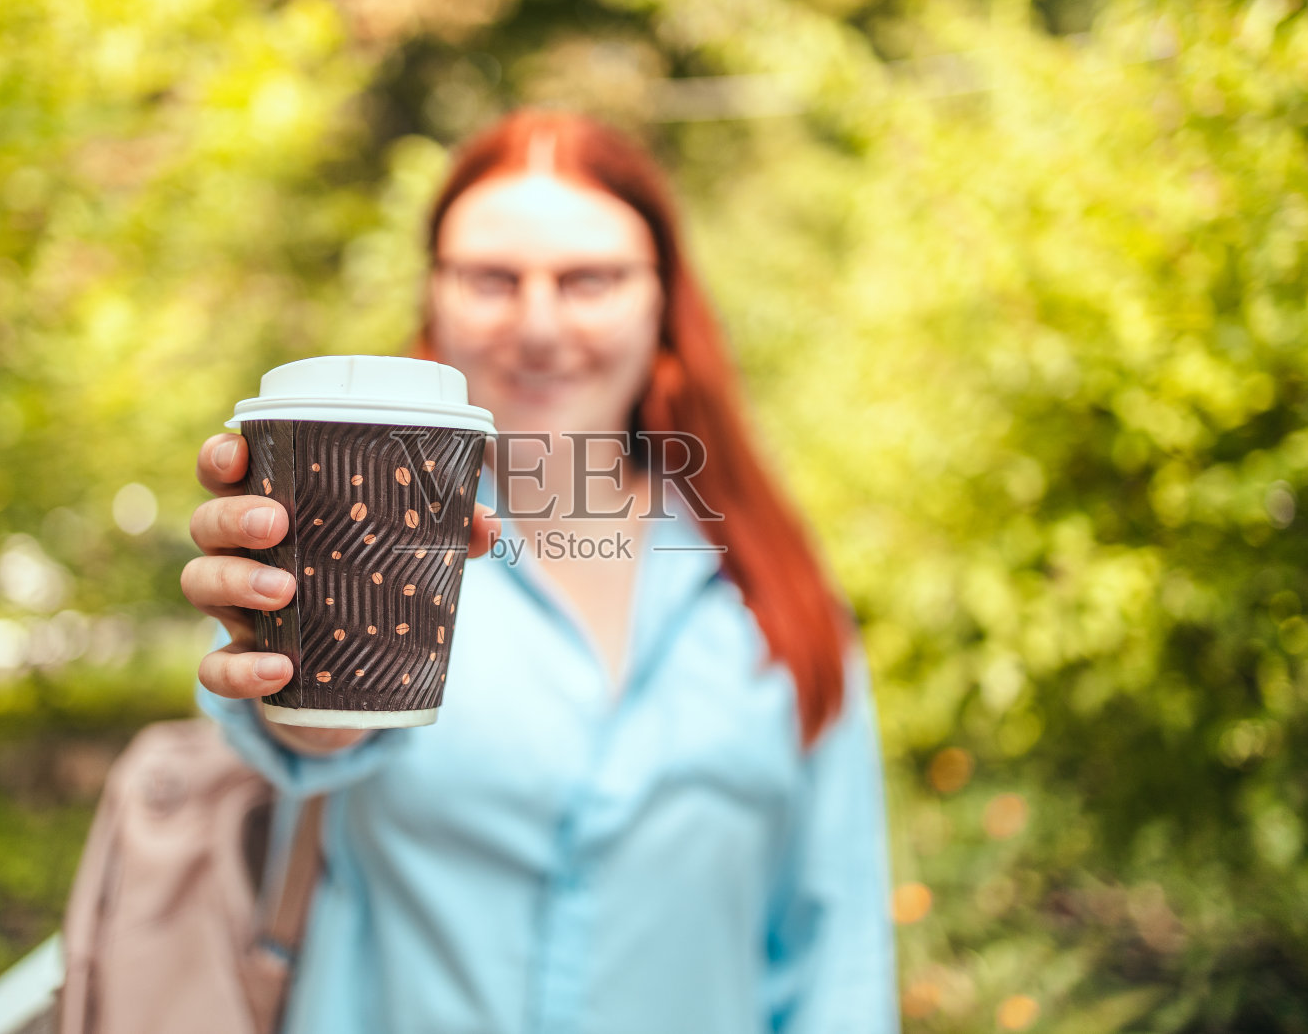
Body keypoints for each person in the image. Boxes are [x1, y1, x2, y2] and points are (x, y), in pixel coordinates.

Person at [181, 108, 898, 1033]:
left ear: (663, 300)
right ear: (435, 297)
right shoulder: (359, 545)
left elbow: (837, 956)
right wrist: (302, 696)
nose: (540, 325)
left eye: (589, 279)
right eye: (492, 279)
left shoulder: (771, 589)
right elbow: (308, 745)